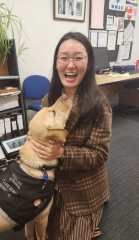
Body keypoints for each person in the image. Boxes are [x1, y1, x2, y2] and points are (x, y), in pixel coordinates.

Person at [30, 32, 112, 240]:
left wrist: (62, 153)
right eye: (64, 57)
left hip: (82, 181)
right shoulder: (49, 98)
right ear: (56, 62)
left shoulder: (100, 105)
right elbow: (41, 136)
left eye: (78, 57)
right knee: (37, 227)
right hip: (51, 177)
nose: (70, 65)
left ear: (89, 62)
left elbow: (99, 155)